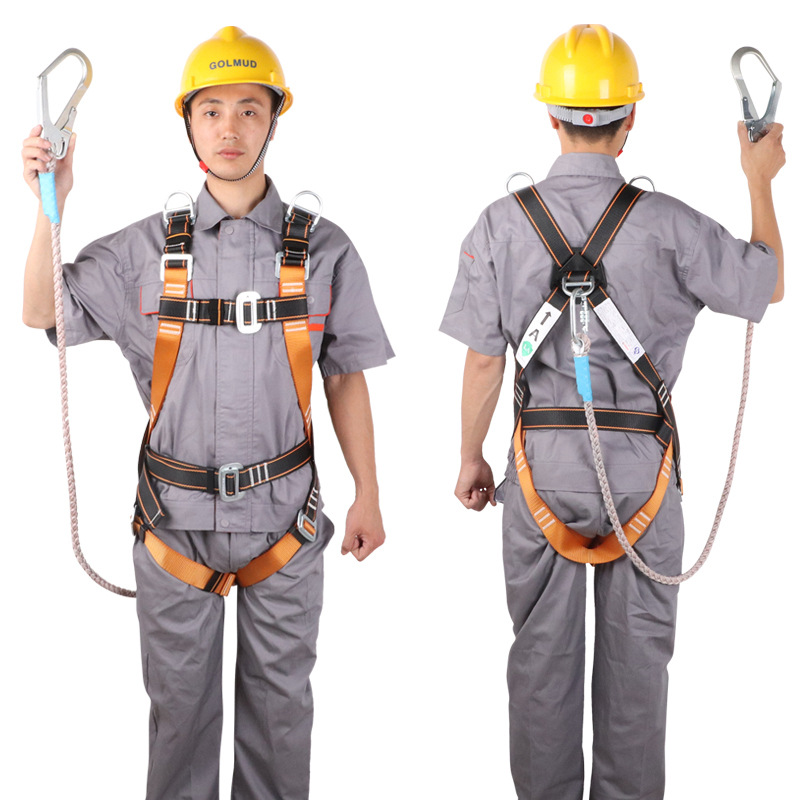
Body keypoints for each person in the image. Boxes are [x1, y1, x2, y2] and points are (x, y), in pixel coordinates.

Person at [22, 26, 393, 800]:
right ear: (188, 123)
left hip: (286, 520)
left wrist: (369, 491)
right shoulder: (140, 252)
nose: (230, 128)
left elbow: (346, 376)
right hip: (175, 525)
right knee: (180, 723)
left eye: (250, 110)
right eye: (212, 110)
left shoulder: (324, 251)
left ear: (274, 120)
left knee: (281, 723)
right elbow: (40, 312)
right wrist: (51, 204)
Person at [440, 24, 784, 800]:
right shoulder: (669, 225)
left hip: (540, 472)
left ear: (551, 117)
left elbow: (485, 360)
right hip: (643, 478)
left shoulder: (501, 224)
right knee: (637, 676)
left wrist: (470, 456)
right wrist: (758, 178)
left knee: (540, 666)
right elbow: (766, 286)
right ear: (630, 120)